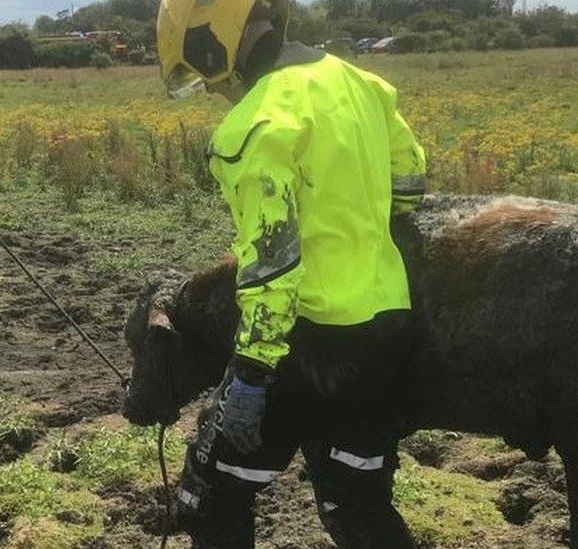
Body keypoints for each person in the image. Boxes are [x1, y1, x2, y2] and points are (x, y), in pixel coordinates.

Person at [156, 0, 428, 547]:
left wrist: (252, 376)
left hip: (305, 343)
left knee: (208, 497)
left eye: (200, 70)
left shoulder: (254, 125)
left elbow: (271, 265)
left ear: (214, 40)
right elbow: (409, 182)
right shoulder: (363, 83)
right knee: (357, 504)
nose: (208, 88)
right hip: (386, 331)